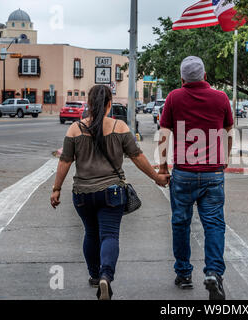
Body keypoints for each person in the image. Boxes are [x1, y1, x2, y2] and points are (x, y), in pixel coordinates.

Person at [50, 85, 170, 300]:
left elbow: (65, 160)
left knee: (90, 233)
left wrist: (56, 189)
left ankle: (95, 276)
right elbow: (137, 156)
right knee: (109, 235)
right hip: (112, 192)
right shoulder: (120, 127)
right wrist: (156, 177)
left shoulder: (75, 129)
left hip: (82, 194)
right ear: (108, 104)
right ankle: (106, 275)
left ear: (88, 103)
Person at [158, 56, 234, 300]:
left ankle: (184, 274)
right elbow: (229, 132)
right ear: (205, 76)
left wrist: (162, 167)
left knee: (180, 223)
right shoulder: (221, 98)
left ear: (182, 78)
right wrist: (225, 158)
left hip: (183, 173)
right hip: (213, 173)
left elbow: (163, 134)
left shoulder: (173, 97)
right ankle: (213, 273)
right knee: (214, 224)